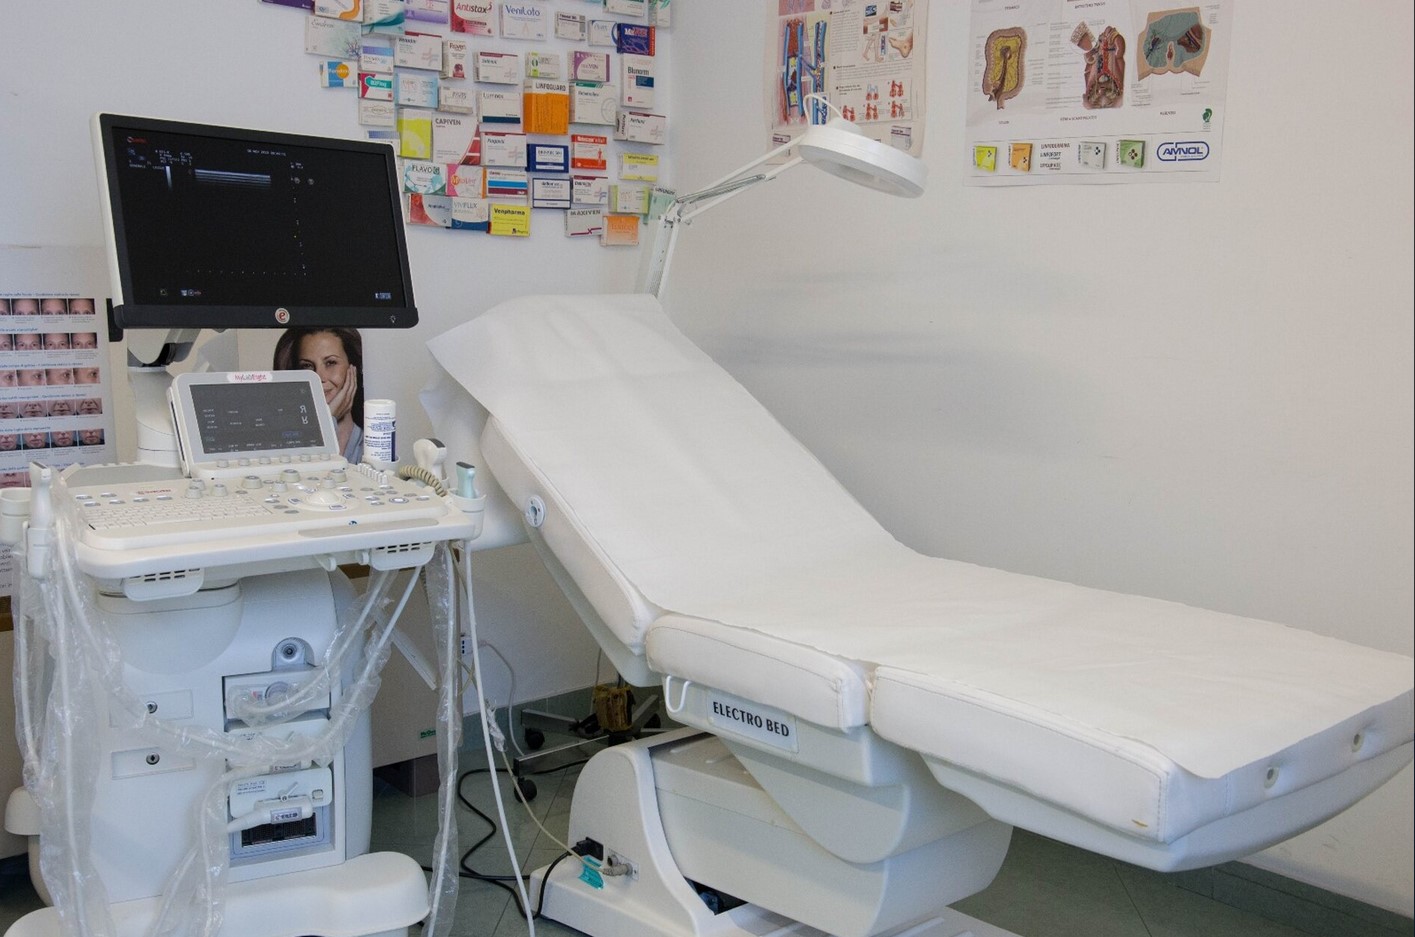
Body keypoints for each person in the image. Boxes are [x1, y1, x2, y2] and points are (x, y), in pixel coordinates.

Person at [272, 327, 364, 464]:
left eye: (330, 363)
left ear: (353, 368)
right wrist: (328, 419)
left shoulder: (373, 446)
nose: (319, 377)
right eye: (307, 366)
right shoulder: (284, 445)